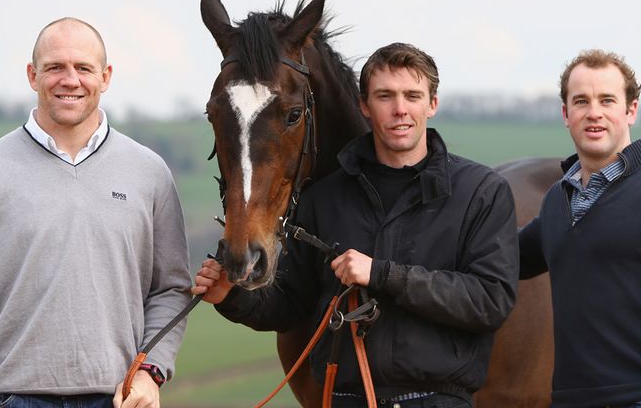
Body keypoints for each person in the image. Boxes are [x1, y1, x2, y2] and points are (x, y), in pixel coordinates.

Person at [193, 42, 520, 407]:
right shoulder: (323, 199)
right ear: (364, 106)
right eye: (385, 96)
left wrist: (380, 274)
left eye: (412, 95)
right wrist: (232, 296)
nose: (400, 110)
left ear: (432, 104)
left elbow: (490, 301)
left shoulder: (481, 192)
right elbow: (292, 306)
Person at [0, 17, 192, 408]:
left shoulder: (150, 174)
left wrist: (151, 370)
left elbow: (171, 288)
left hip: (115, 399)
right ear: (32, 75)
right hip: (6, 399)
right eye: (55, 67)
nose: (70, 80)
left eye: (83, 68)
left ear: (106, 76)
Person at [519, 49, 641, 407]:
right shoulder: (557, 203)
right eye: (581, 101)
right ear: (566, 114)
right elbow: (500, 259)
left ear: (631, 110)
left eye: (607, 100)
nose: (594, 112)